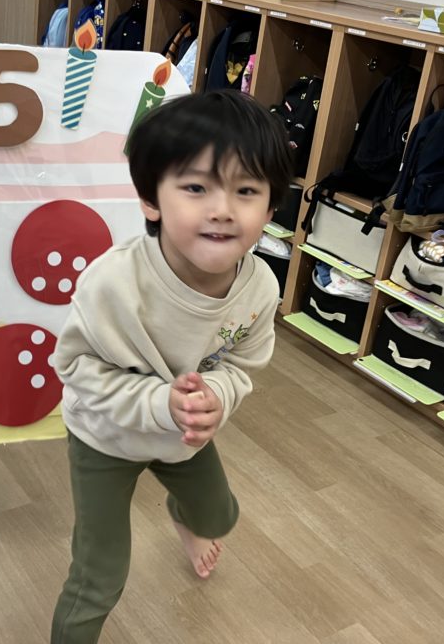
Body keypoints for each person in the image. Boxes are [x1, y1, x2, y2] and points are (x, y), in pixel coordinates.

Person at [50, 89, 293, 643]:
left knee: (220, 518)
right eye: (196, 187)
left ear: (269, 210)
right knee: (99, 576)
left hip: (183, 438)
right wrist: (159, 403)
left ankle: (185, 517)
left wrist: (216, 397)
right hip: (105, 437)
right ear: (150, 199)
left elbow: (241, 365)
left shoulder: (259, 286)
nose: (222, 209)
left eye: (246, 190)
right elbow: (77, 367)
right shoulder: (114, 282)